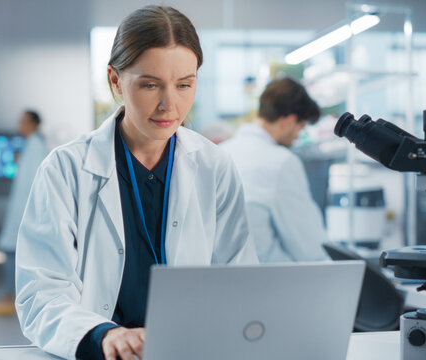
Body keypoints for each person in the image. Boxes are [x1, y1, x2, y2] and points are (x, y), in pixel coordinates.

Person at [15, 6, 257, 360]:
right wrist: (103, 335)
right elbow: (41, 294)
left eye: (184, 85)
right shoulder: (66, 170)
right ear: (115, 80)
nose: (168, 105)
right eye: (149, 84)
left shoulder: (214, 166)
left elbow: (240, 282)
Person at [220, 77, 330, 263]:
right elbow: (309, 246)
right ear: (288, 120)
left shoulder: (222, 152)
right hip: (268, 280)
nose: (297, 137)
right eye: (300, 127)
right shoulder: (282, 161)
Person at [0, 110, 49, 316]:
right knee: (13, 252)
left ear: (34, 124)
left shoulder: (37, 147)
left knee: (15, 253)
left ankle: (11, 297)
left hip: (25, 212)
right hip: (21, 211)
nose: (19, 125)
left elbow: (33, 185)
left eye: (23, 122)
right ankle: (10, 295)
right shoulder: (31, 146)